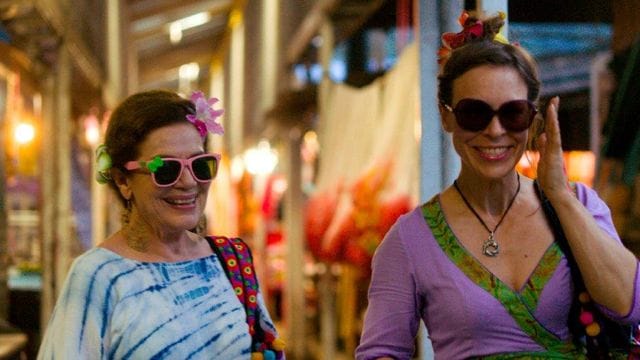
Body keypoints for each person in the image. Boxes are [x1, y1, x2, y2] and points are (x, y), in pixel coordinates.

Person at [356, 12, 640, 359]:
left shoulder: (579, 205)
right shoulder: (408, 241)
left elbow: (630, 306)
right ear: (446, 116)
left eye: (513, 113)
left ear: (534, 118)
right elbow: (381, 352)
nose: (494, 130)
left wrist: (560, 197)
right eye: (474, 113)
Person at [37, 90, 284, 359]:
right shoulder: (99, 276)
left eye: (200, 166)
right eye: (166, 169)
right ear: (123, 180)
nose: (189, 182)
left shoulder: (231, 260)